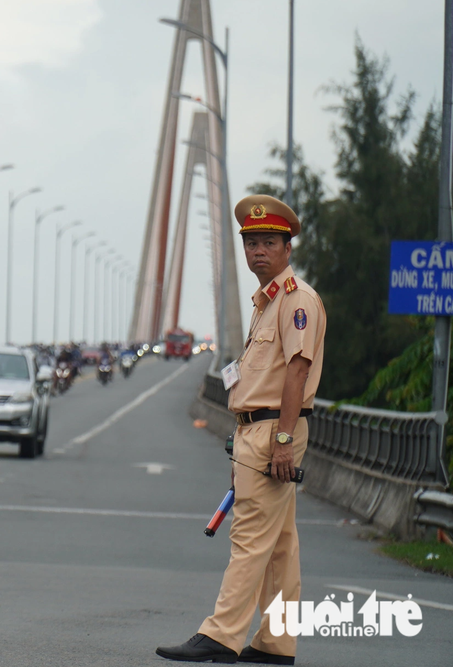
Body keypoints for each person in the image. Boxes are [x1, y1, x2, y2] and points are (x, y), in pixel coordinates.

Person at [156, 195, 325, 665]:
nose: (258, 252)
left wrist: (284, 441)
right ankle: (275, 641)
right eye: (251, 243)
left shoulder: (297, 302)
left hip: (276, 430)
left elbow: (296, 372)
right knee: (279, 545)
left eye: (268, 242)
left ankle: (221, 635)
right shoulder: (265, 303)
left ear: (287, 247)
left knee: (249, 536)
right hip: (258, 430)